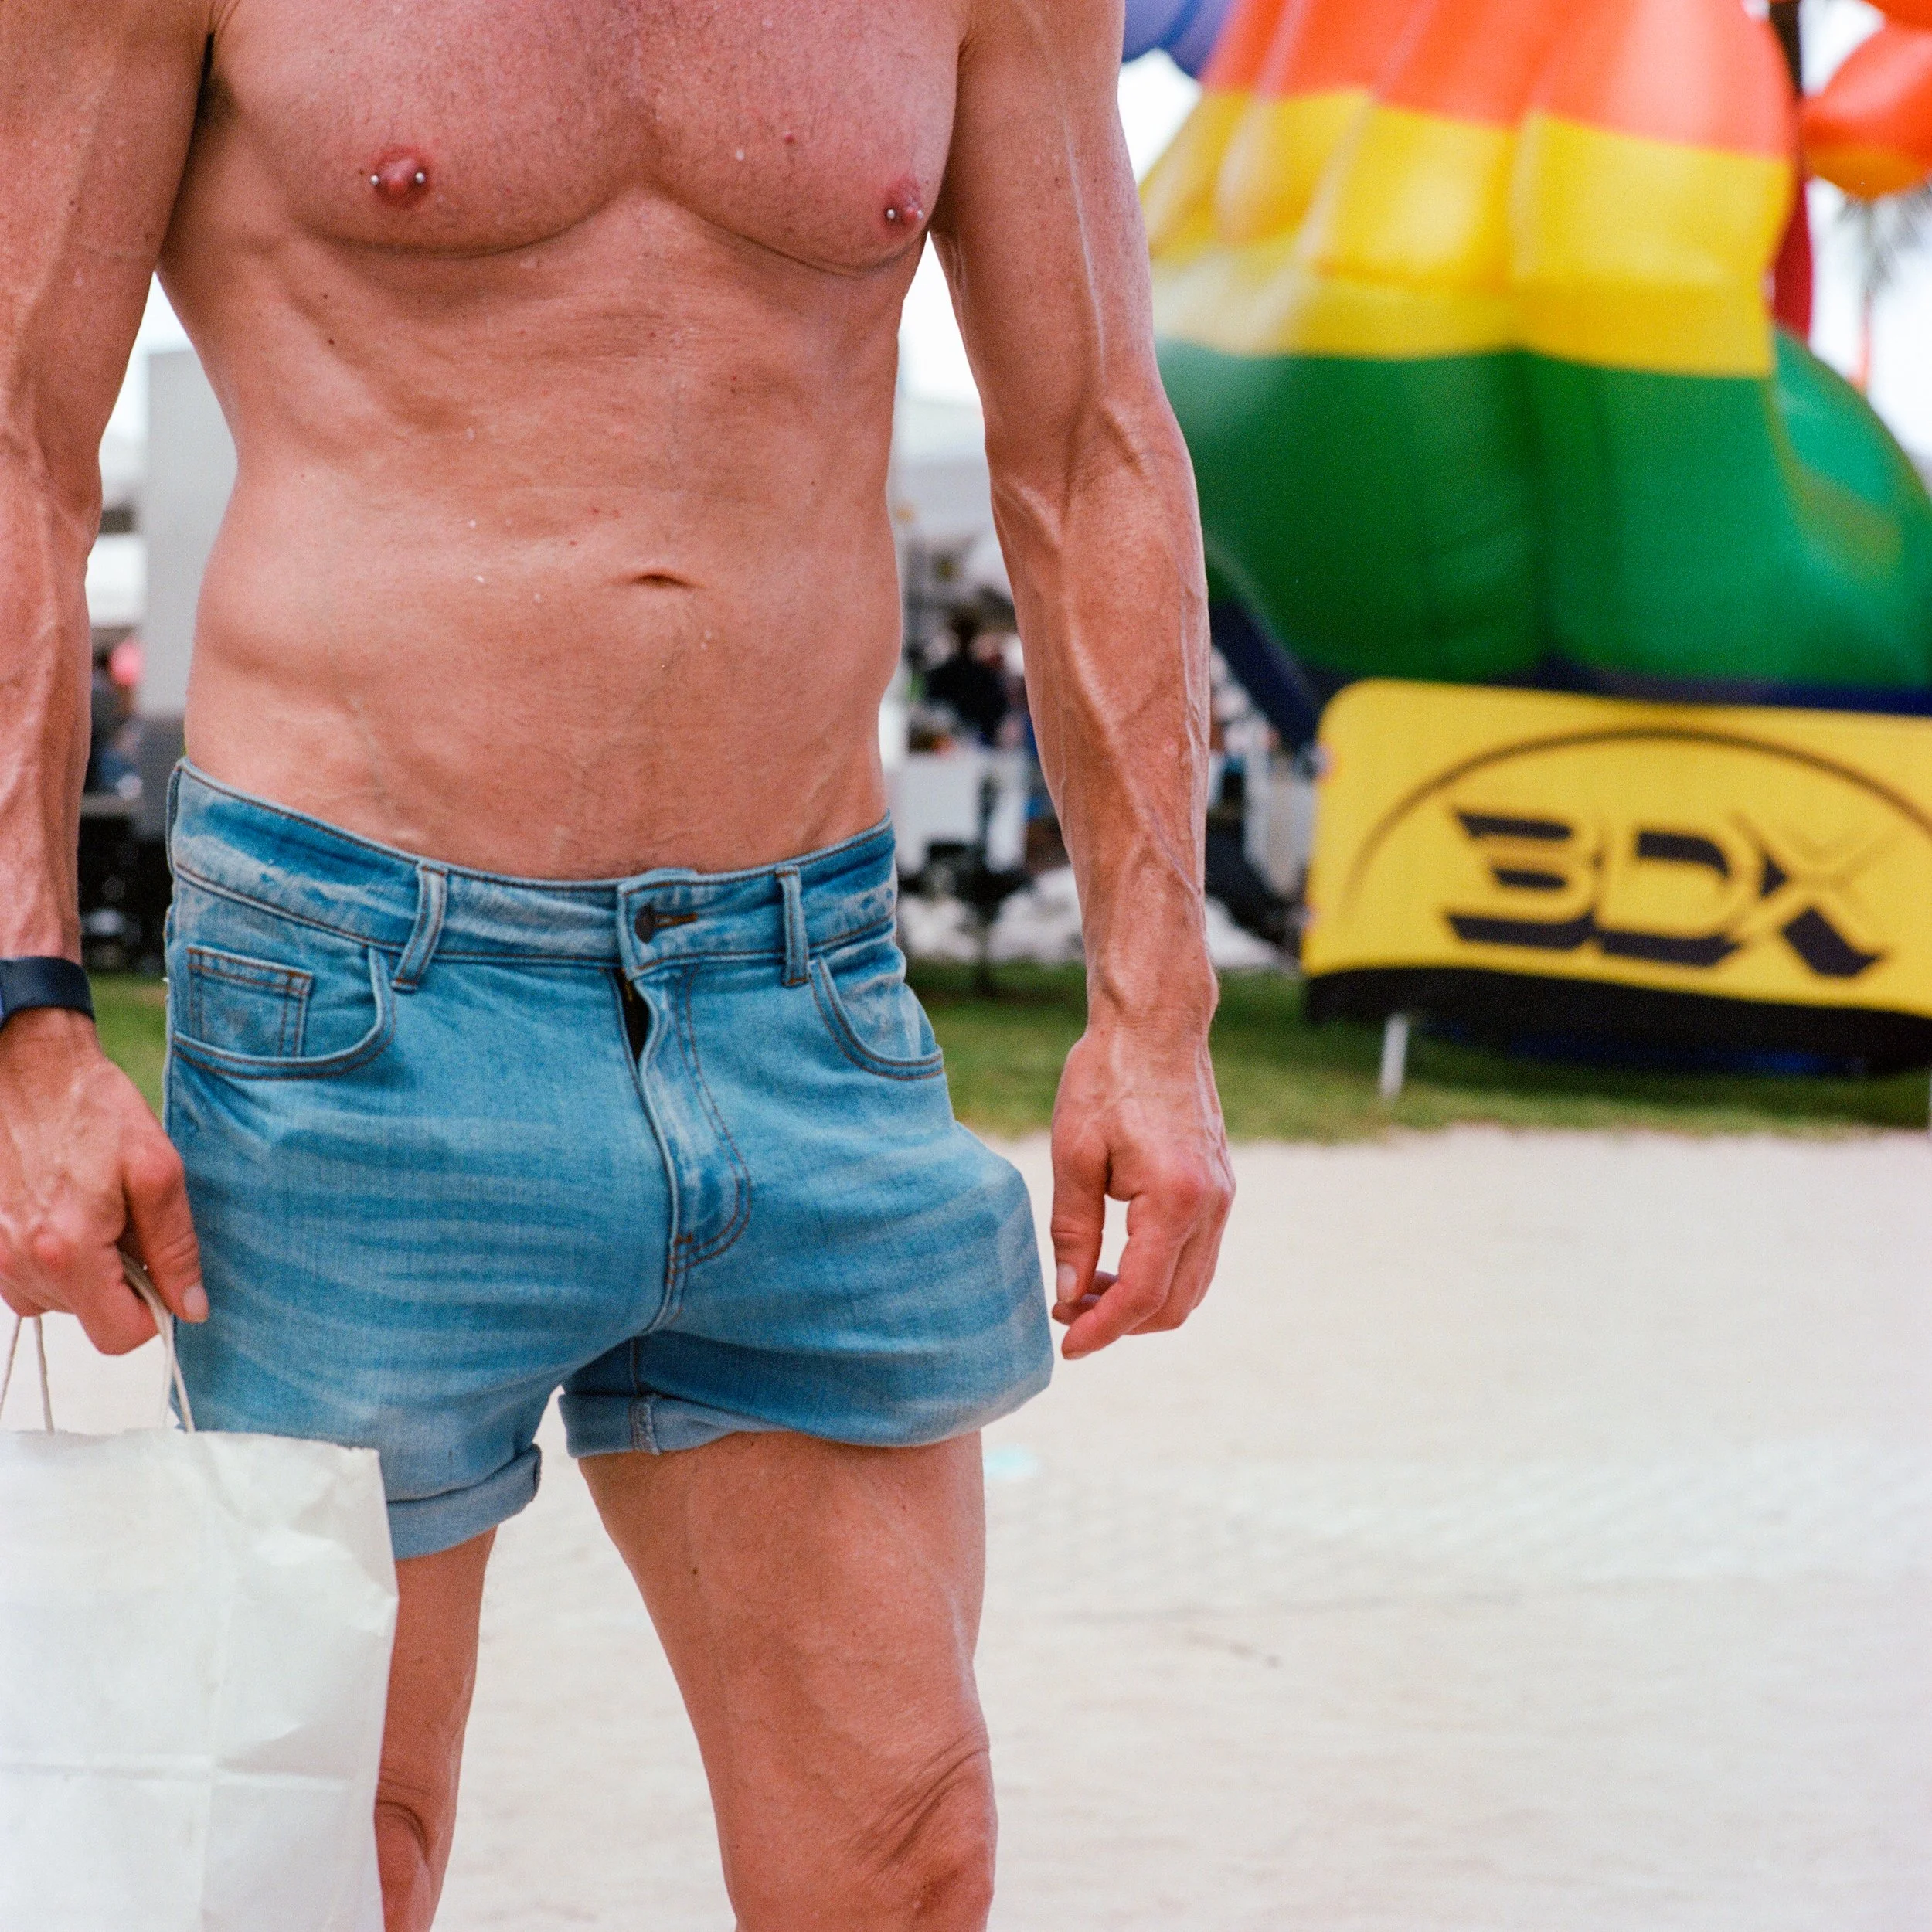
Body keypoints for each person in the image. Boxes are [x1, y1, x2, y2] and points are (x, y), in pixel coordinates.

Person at [0, 5, 1234, 1927]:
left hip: (799, 981)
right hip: (357, 987)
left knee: (908, 1857)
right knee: (329, 1857)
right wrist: (24, 1020)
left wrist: (1159, 1014)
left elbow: (1089, 443)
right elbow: (19, 437)